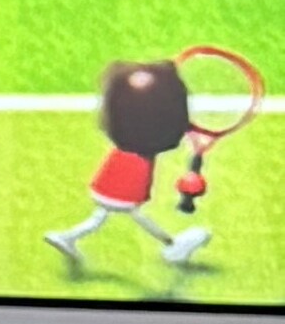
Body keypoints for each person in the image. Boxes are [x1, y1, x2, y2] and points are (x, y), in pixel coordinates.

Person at [53, 59, 208, 267]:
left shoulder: (125, 143)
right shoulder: (141, 154)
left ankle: (67, 237)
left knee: (100, 217)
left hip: (105, 186)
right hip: (121, 193)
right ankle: (172, 244)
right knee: (135, 217)